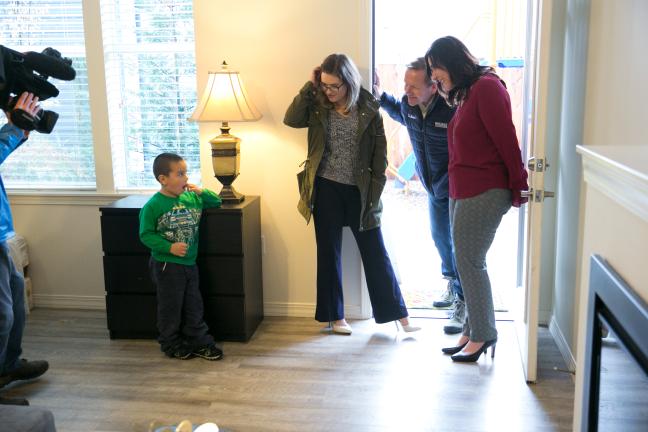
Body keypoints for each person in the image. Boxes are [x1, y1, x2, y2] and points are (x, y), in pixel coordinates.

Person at [284, 53, 420, 335]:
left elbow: (380, 157)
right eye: (325, 85)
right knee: (328, 252)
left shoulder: (369, 107)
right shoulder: (318, 105)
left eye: (335, 86)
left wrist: (374, 191)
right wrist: (309, 88)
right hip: (325, 189)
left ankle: (399, 316)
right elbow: (291, 119)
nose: (329, 92)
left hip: (359, 192)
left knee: (375, 251)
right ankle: (335, 316)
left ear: (349, 83)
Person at [424, 36, 528, 362]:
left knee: (470, 261)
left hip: (485, 188)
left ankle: (483, 335)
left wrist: (519, 184)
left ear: (451, 61)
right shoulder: (467, 94)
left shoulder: (487, 88)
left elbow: (507, 140)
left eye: (435, 68)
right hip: (463, 188)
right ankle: (472, 329)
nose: (432, 76)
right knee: (463, 262)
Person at [374, 58, 465, 334]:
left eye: (413, 86)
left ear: (434, 87)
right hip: (433, 187)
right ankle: (452, 285)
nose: (407, 91)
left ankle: (463, 301)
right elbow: (395, 109)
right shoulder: (409, 107)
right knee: (440, 239)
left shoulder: (451, 111)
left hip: (457, 187)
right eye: (405, 84)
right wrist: (379, 95)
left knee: (461, 245)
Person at [139, 152, 224, 360]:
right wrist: (169, 248)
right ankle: (170, 343)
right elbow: (146, 235)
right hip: (167, 265)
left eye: (186, 173)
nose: (186, 178)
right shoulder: (153, 205)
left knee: (193, 304)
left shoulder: (192, 198)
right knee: (171, 307)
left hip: (189, 264)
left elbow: (216, 201)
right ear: (163, 179)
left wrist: (202, 191)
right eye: (180, 174)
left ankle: (199, 341)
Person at [0, 92, 49, 406]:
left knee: (16, 302)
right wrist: (14, 127)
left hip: (1, 235)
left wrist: (20, 130)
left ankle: (8, 366)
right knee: (2, 314)